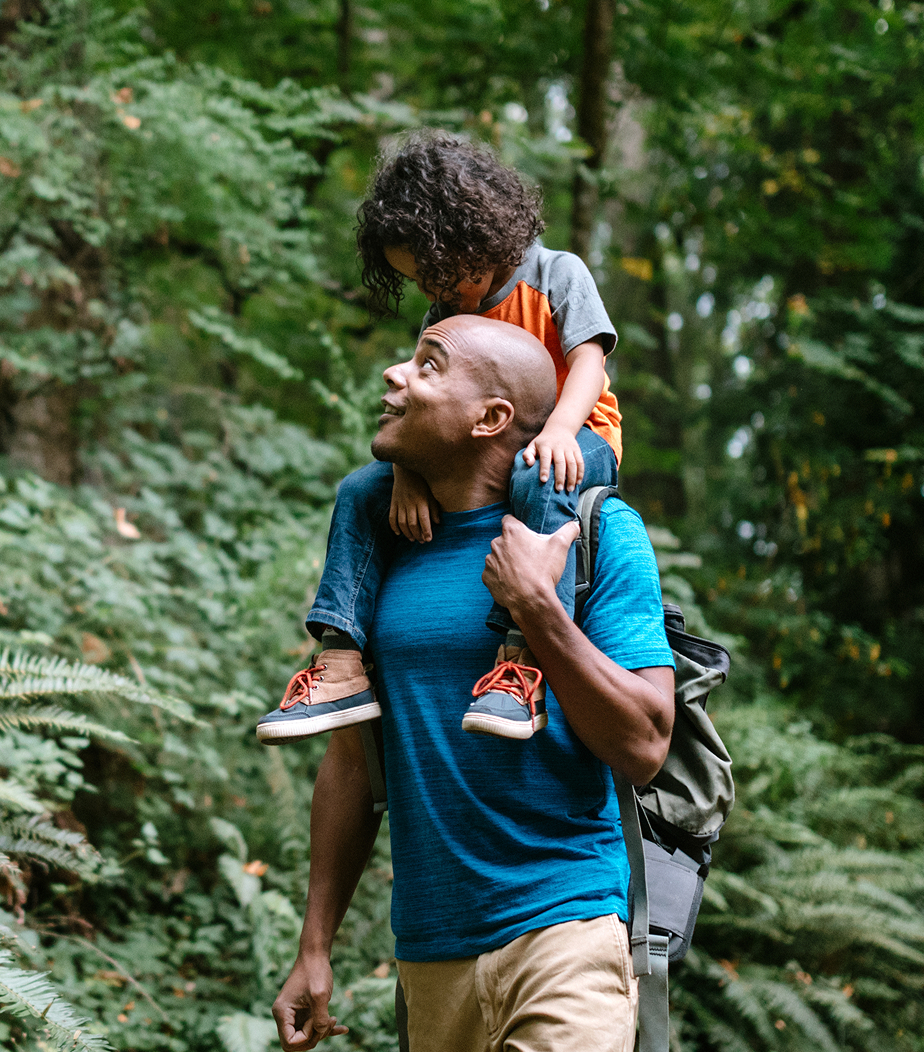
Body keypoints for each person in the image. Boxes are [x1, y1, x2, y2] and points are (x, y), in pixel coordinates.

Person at [270, 315, 675, 1052]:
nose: (393, 374)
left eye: (428, 366)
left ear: (489, 419)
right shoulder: (382, 551)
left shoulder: (595, 533)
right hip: (429, 960)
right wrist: (315, 944)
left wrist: (537, 607)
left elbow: (645, 743)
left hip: (565, 932)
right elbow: (356, 764)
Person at [256, 130, 625, 745]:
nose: (434, 294)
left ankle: (519, 658)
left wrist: (562, 428)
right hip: (475, 447)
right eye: (420, 284)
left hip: (575, 433)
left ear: (474, 234)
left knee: (539, 474)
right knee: (358, 491)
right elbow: (417, 412)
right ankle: (340, 662)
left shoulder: (556, 273)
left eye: (438, 274)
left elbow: (590, 361)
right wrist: (405, 474)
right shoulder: (445, 316)